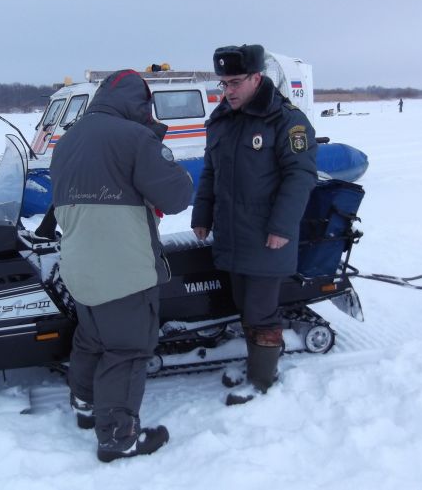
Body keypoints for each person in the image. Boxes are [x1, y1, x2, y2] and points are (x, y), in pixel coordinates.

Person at [50, 69, 193, 462]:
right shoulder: (135, 138)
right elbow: (178, 195)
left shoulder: (67, 141)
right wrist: (155, 145)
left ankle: (84, 405)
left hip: (80, 266)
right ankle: (118, 436)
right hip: (123, 268)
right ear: (140, 105)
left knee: (92, 338)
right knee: (128, 348)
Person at [191, 44, 318, 405]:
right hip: (232, 234)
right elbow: (211, 172)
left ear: (256, 77)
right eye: (223, 84)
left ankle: (262, 382)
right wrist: (202, 214)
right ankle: (254, 367)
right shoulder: (222, 119)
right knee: (243, 305)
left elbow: (300, 176)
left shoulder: (286, 120)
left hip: (267, 236)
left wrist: (282, 227)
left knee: (261, 311)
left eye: (234, 83)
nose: (227, 91)